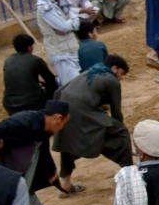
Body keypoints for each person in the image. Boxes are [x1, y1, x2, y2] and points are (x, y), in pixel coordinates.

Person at [51, 55, 132, 194]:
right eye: (122, 73)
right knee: (120, 133)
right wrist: (118, 129)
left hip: (62, 109)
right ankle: (131, 174)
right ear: (114, 68)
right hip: (81, 111)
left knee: (68, 143)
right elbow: (116, 112)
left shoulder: (89, 72)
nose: (121, 78)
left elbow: (60, 91)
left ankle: (65, 183)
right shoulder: (111, 81)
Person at [0, 101, 69, 205]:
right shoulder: (25, 122)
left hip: (21, 179)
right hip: (7, 176)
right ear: (58, 118)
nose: (62, 128)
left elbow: (42, 151)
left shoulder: (44, 127)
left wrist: (50, 171)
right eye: (64, 123)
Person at [36, 0, 82, 86]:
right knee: (72, 85)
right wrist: (70, 25)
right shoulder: (45, 7)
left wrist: (70, 25)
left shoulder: (58, 0)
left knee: (71, 82)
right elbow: (63, 27)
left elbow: (74, 19)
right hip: (60, 51)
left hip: (68, 47)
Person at [2, 33, 58, 114]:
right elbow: (51, 81)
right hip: (31, 104)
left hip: (9, 104)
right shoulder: (35, 60)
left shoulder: (8, 60)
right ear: (29, 47)